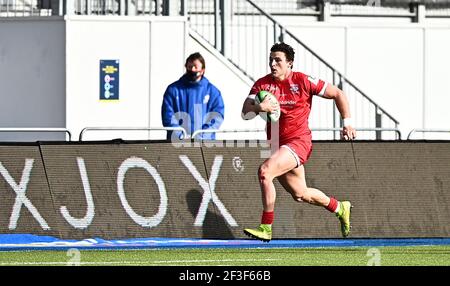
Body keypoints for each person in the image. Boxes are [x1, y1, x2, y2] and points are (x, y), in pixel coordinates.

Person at [241, 42, 356, 242]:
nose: (273, 64)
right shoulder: (263, 84)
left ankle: (266, 227)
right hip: (278, 145)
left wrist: (347, 123)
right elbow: (245, 111)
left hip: (298, 141)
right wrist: (260, 107)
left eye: (278, 60)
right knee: (301, 194)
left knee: (265, 172)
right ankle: (340, 207)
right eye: (271, 60)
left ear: (290, 63)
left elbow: (338, 93)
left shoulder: (303, 81)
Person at [161, 52, 225, 140]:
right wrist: (180, 135)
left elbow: (217, 115)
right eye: (190, 66)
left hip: (204, 144)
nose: (192, 69)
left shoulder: (213, 92)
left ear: (202, 69)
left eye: (195, 66)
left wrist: (202, 135)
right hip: (177, 144)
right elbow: (168, 115)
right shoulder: (173, 90)